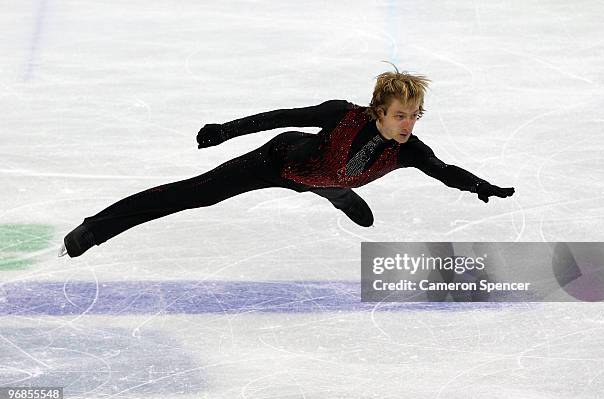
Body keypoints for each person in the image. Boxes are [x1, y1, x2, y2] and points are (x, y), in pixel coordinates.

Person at [59, 63, 515, 258]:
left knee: (329, 177)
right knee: (193, 195)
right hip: (277, 162)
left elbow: (444, 171)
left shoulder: (409, 150)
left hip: (322, 175)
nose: (408, 124)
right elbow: (283, 116)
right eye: (400, 115)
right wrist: (226, 130)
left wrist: (479, 185)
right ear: (379, 111)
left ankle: (333, 190)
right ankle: (95, 228)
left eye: (415, 115)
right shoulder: (343, 115)